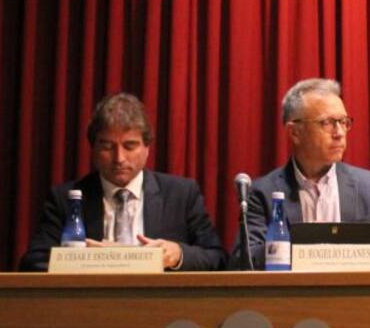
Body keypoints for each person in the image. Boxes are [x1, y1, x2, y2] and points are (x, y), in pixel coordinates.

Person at [19, 93, 227, 271]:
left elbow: (218, 259)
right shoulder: (65, 198)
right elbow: (33, 262)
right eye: (107, 146)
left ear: (147, 148)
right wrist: (87, 260)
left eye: (130, 146)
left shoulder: (181, 194)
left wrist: (179, 255)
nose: (119, 158)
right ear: (93, 148)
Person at [236, 78, 370, 269]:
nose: (339, 133)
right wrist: (311, 254)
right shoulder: (262, 193)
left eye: (343, 122)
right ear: (295, 133)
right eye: (327, 123)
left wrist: (359, 258)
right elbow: (245, 261)